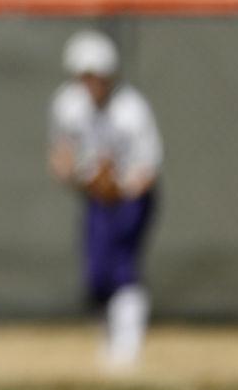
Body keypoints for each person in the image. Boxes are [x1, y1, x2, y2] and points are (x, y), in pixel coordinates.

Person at [48, 30, 163, 368]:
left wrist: (117, 187)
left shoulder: (132, 110)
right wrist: (82, 179)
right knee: (97, 273)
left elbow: (148, 169)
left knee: (123, 267)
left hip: (130, 197)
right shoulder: (67, 105)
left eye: (96, 77)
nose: (91, 84)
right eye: (84, 77)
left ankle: (128, 351)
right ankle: (109, 341)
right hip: (95, 198)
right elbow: (61, 156)